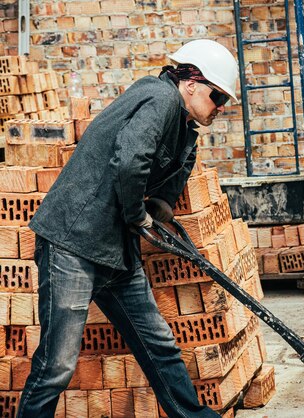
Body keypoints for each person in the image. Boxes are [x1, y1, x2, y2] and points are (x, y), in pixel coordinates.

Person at [18, 39, 238, 418]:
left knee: (160, 346)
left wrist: (161, 206)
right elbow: (130, 160)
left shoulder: (185, 128)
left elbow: (170, 179)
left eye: (224, 102)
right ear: (190, 83)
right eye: (217, 97)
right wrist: (137, 216)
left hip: (115, 250)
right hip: (74, 242)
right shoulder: (159, 98)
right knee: (57, 366)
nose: (220, 107)